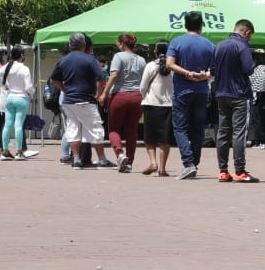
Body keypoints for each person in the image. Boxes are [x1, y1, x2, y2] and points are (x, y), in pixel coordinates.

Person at [50, 32, 116, 171]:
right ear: (84, 45)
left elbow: (55, 79)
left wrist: (65, 89)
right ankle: (102, 159)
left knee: (73, 129)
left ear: (69, 45)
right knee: (95, 129)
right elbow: (101, 79)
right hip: (86, 99)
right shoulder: (90, 60)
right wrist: (98, 95)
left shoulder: (64, 60)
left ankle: (77, 160)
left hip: (69, 101)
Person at [165, 12, 214, 180]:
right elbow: (213, 70)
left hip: (181, 91)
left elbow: (169, 64)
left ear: (185, 24)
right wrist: (204, 76)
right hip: (201, 91)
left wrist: (186, 73)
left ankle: (188, 163)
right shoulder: (209, 44)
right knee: (198, 128)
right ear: (201, 25)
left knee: (180, 127)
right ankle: (194, 162)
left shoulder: (177, 41)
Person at [211, 19, 259, 183]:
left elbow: (212, 70)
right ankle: (240, 171)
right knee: (239, 132)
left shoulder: (219, 45)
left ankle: (223, 171)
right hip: (240, 94)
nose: (249, 39)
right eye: (249, 36)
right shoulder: (242, 46)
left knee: (223, 132)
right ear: (246, 32)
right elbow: (248, 69)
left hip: (221, 94)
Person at [99, 34, 145, 173]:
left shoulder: (119, 57)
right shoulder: (141, 59)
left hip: (120, 95)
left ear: (121, 44)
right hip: (137, 96)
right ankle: (129, 161)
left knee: (113, 128)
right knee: (132, 130)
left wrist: (104, 93)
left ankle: (119, 154)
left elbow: (113, 75)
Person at [139, 41, 174, 175]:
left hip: (150, 104)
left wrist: (144, 96)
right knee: (165, 139)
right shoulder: (173, 67)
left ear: (155, 52)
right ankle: (162, 169)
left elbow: (142, 87)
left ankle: (153, 162)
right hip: (168, 105)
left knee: (150, 137)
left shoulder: (150, 66)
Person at [0, 45, 35, 161]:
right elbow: (28, 86)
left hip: (9, 98)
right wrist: (32, 92)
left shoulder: (8, 66)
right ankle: (19, 152)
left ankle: (5, 151)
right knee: (18, 125)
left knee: (7, 124)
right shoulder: (24, 69)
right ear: (21, 56)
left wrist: (4, 86)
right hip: (22, 98)